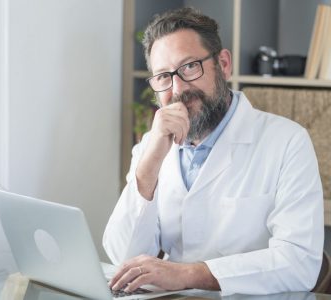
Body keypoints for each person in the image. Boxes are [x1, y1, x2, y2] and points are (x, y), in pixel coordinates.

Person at [103, 7, 324, 296]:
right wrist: (149, 166)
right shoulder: (151, 146)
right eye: (163, 76)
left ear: (223, 63)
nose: (178, 88)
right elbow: (124, 259)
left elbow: (299, 264)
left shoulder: (287, 142)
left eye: (190, 66)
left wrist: (188, 274)